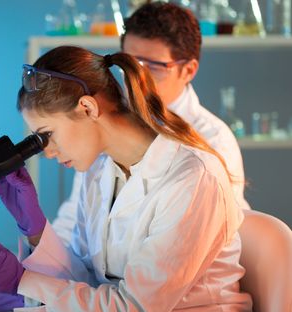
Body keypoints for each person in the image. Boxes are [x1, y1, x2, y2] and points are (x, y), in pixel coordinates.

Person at [0, 46, 260, 312]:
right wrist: (35, 228)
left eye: (46, 135)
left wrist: (22, 280)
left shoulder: (192, 178)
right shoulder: (100, 172)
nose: (46, 152)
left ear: (88, 108)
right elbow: (86, 281)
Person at [52, 1, 249, 244]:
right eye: (130, 66)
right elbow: (74, 220)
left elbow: (194, 245)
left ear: (188, 70)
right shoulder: (105, 125)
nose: (136, 80)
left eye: (153, 68)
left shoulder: (211, 140)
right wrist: (34, 260)